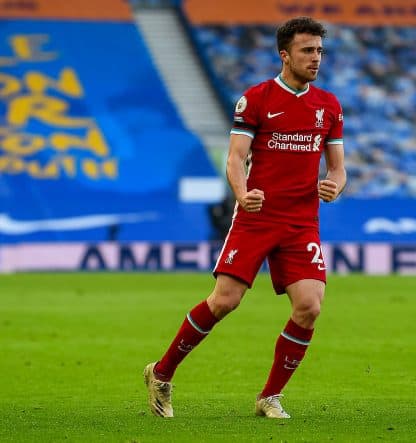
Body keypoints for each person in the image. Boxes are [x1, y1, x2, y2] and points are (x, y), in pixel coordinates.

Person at [144, 16, 346, 419]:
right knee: (225, 301)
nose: (316, 58)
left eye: (319, 50)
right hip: (256, 218)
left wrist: (335, 185)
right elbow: (235, 157)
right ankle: (162, 374)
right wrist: (242, 193)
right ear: (284, 55)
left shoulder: (328, 105)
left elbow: (338, 168)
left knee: (309, 306)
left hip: (301, 222)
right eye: (307, 50)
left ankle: (270, 396)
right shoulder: (256, 100)